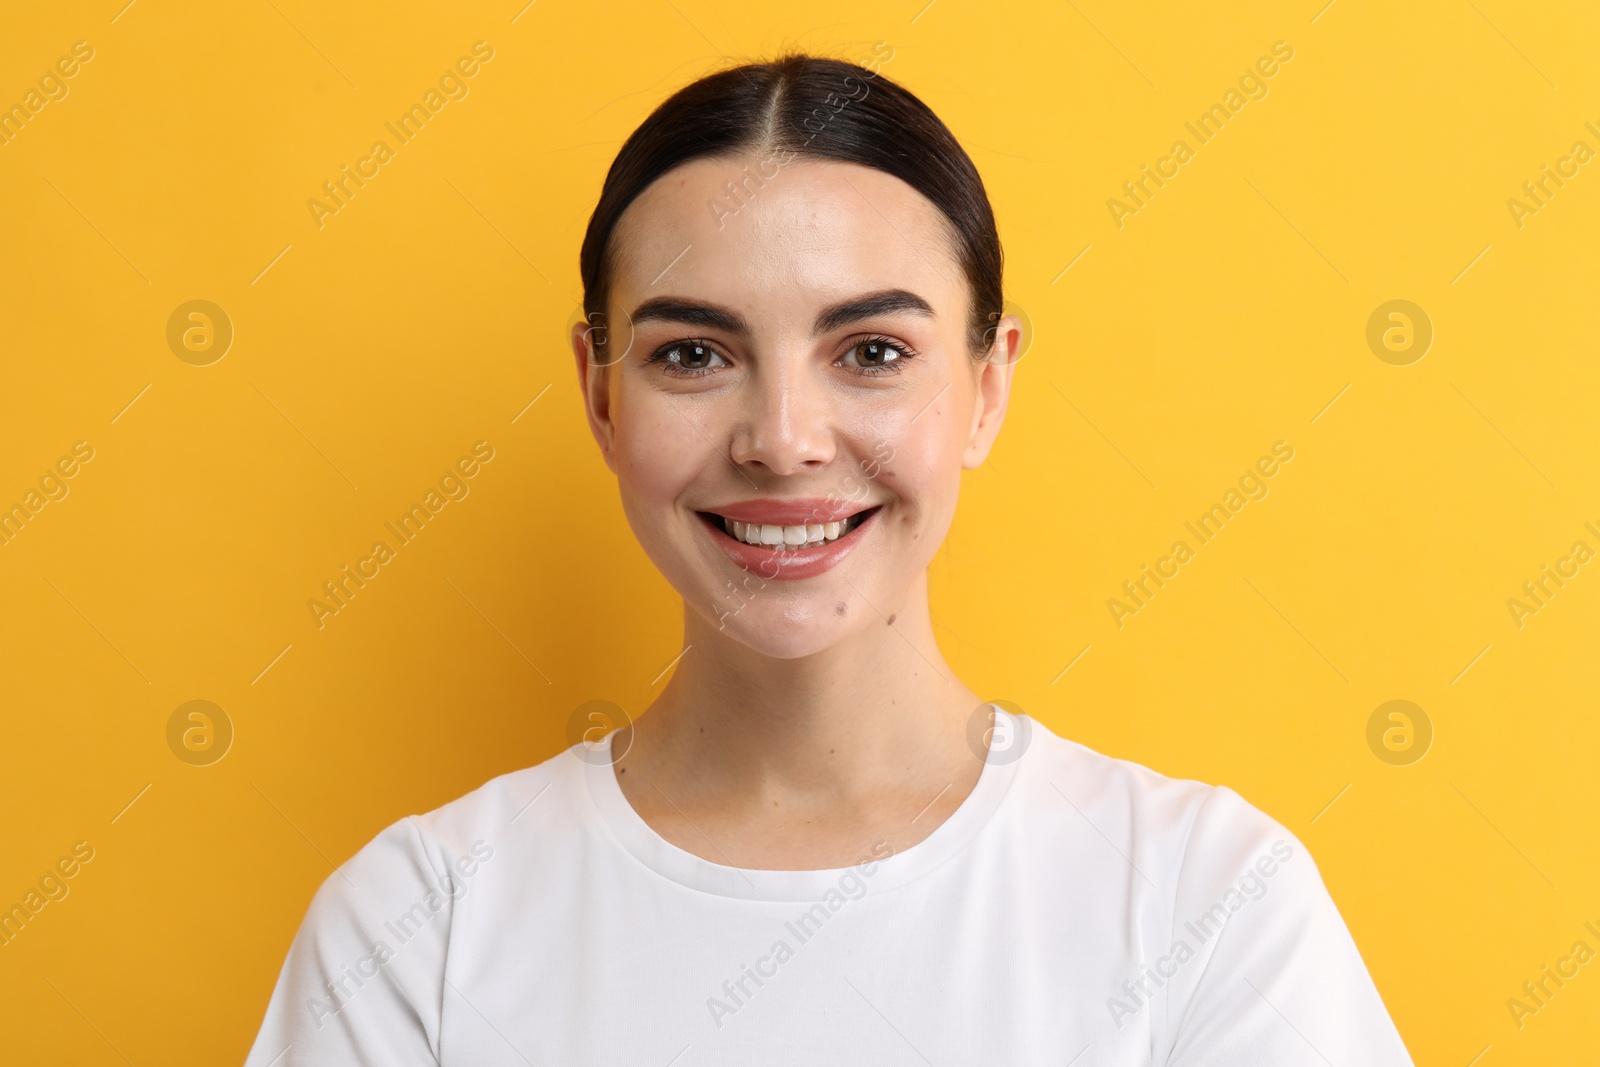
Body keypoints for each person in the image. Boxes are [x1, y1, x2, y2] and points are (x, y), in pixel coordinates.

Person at [243, 52, 1414, 1065]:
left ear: (987, 387)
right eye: (695, 353)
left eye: (870, 349)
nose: (784, 440)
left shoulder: (1204, 900)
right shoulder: (419, 921)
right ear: (600, 396)